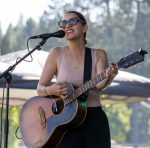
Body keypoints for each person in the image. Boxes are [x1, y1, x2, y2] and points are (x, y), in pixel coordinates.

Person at [37, 10, 118, 148]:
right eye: (64, 23)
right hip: (65, 122)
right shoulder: (56, 53)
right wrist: (52, 89)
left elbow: (100, 86)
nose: (67, 25)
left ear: (85, 28)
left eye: (73, 21)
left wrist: (110, 76)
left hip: (94, 119)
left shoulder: (98, 54)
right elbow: (40, 89)